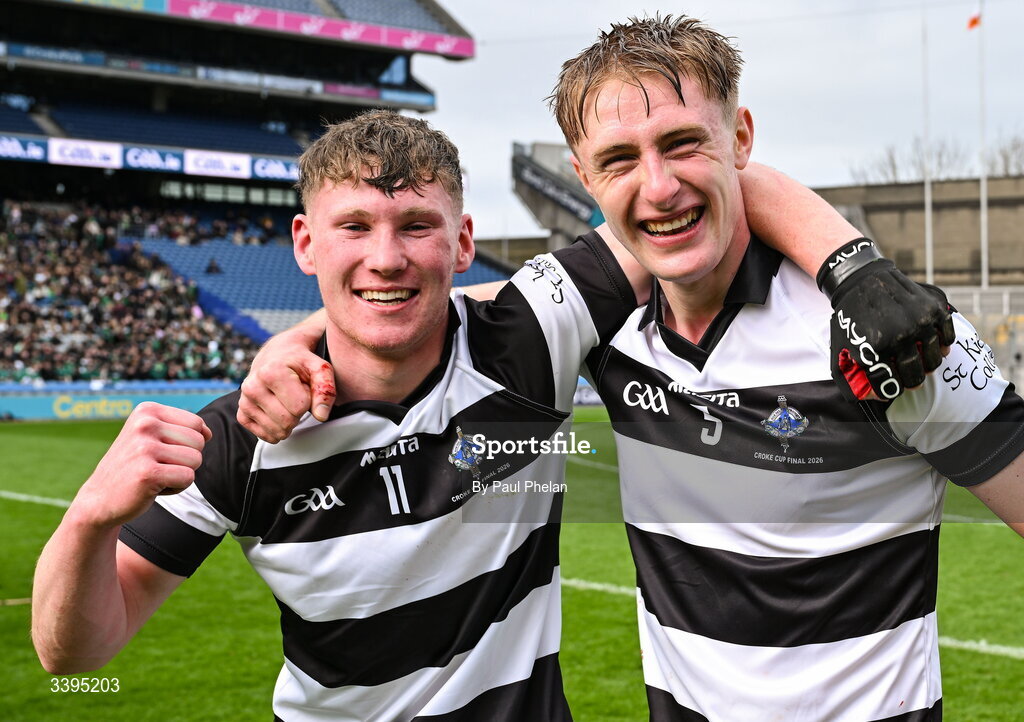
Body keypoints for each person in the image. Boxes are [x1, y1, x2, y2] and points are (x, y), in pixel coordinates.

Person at [240, 17, 1024, 722]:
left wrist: (852, 266)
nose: (658, 186)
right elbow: (420, 302)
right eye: (619, 158)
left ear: (741, 138)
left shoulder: (882, 335)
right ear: (586, 180)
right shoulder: (601, 327)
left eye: (684, 143)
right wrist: (296, 340)